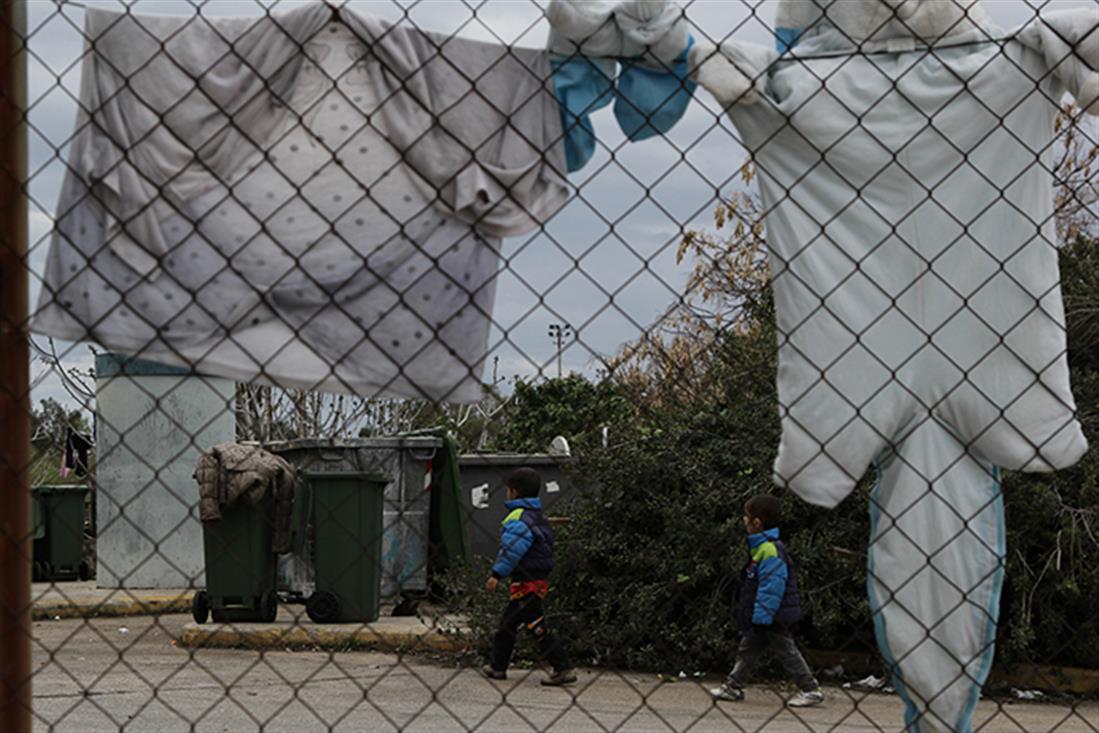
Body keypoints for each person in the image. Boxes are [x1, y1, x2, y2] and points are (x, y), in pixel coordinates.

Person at [711, 494, 824, 707]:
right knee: (749, 648)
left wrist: (763, 615)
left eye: (746, 516)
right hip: (764, 614)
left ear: (757, 522)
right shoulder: (762, 548)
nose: (743, 520)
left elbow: (773, 586)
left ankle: (810, 689)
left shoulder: (770, 549)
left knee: (786, 651)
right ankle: (733, 685)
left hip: (772, 615)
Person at [482, 467, 577, 686]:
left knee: (535, 624)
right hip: (536, 578)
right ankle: (498, 667)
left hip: (527, 580)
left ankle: (562, 667)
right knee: (508, 623)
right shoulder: (538, 516)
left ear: (514, 492)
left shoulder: (518, 518)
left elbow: (512, 550)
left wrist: (497, 573)